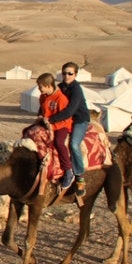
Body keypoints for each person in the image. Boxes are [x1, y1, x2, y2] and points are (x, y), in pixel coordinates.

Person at [47, 62, 91, 196]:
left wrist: (51, 120)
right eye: (64, 73)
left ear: (75, 75)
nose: (66, 76)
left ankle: (79, 177)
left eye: (70, 73)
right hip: (65, 120)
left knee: (74, 144)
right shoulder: (60, 87)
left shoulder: (76, 89)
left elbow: (70, 110)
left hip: (79, 120)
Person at [37, 72, 75, 189]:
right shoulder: (43, 97)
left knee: (59, 142)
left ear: (48, 85)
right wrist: (40, 118)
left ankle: (68, 170)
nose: (39, 89)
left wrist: (52, 126)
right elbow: (42, 112)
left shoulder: (60, 98)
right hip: (47, 124)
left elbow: (65, 117)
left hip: (62, 126)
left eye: (40, 86)